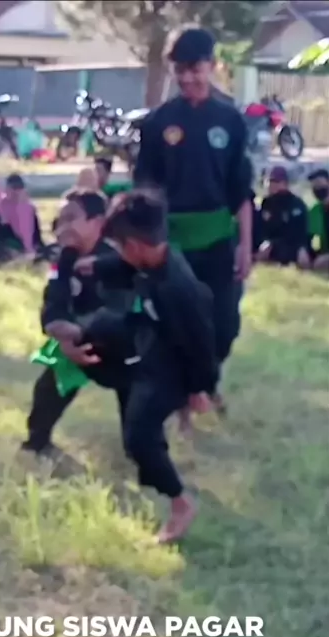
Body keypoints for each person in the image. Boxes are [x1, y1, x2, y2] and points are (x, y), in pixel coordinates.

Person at [134, 27, 252, 413]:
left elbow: (241, 190)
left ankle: (205, 381)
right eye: (179, 70)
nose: (187, 78)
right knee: (179, 322)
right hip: (173, 239)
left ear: (212, 66)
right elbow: (145, 188)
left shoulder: (231, 120)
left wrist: (245, 246)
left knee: (225, 324)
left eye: (195, 69)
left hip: (218, 236)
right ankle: (187, 397)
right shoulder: (158, 122)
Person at [103, 190, 219, 542]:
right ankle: (150, 453)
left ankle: (181, 503)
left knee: (139, 436)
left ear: (135, 246)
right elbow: (123, 268)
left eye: (119, 247)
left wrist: (200, 388)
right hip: (154, 345)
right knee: (101, 329)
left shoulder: (177, 288)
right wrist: (94, 266)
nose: (119, 254)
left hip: (175, 368)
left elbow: (202, 343)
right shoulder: (156, 259)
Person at [22, 190, 137, 456]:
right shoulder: (64, 259)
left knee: (137, 400)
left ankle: (142, 452)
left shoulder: (117, 259)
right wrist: (62, 336)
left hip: (122, 346)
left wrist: (79, 335)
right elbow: (53, 303)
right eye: (60, 220)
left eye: (71, 218)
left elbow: (119, 314)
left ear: (98, 222)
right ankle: (37, 444)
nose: (63, 227)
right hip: (75, 342)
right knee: (48, 388)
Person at [256, 166, 310, 268]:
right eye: (270, 181)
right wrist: (267, 242)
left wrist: (301, 247)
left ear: (284, 183)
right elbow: (264, 228)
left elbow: (300, 231)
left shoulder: (296, 203)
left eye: (275, 181)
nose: (271, 185)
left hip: (292, 245)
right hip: (271, 245)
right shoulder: (267, 203)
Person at [0, 173, 46, 261]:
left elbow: (36, 233)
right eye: (13, 188)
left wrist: (21, 208)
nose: (16, 192)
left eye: (19, 188)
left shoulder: (29, 208)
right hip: (9, 243)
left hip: (29, 245)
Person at [308, 168, 329, 273]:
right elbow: (307, 238)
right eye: (314, 186)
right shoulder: (316, 210)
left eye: (319, 183)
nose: (317, 188)